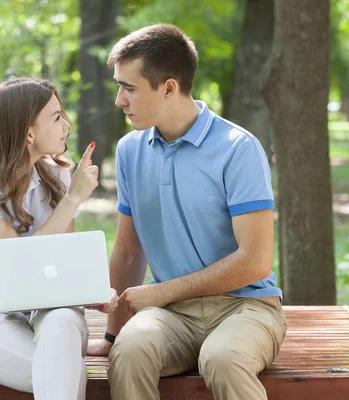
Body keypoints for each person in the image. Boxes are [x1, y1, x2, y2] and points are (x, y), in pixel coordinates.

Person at [86, 24, 287, 400]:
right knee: (129, 353)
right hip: (171, 316)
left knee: (222, 359)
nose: (119, 100)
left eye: (129, 88)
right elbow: (129, 252)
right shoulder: (130, 151)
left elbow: (256, 261)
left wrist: (163, 291)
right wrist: (112, 336)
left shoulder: (237, 148)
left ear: (169, 88)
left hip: (246, 308)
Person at [0, 77, 118, 400]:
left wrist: (91, 292)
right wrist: (72, 201)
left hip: (51, 309)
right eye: (56, 116)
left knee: (62, 321)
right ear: (28, 132)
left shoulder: (59, 178)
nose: (68, 124)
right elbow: (19, 265)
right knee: (64, 371)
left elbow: (57, 266)